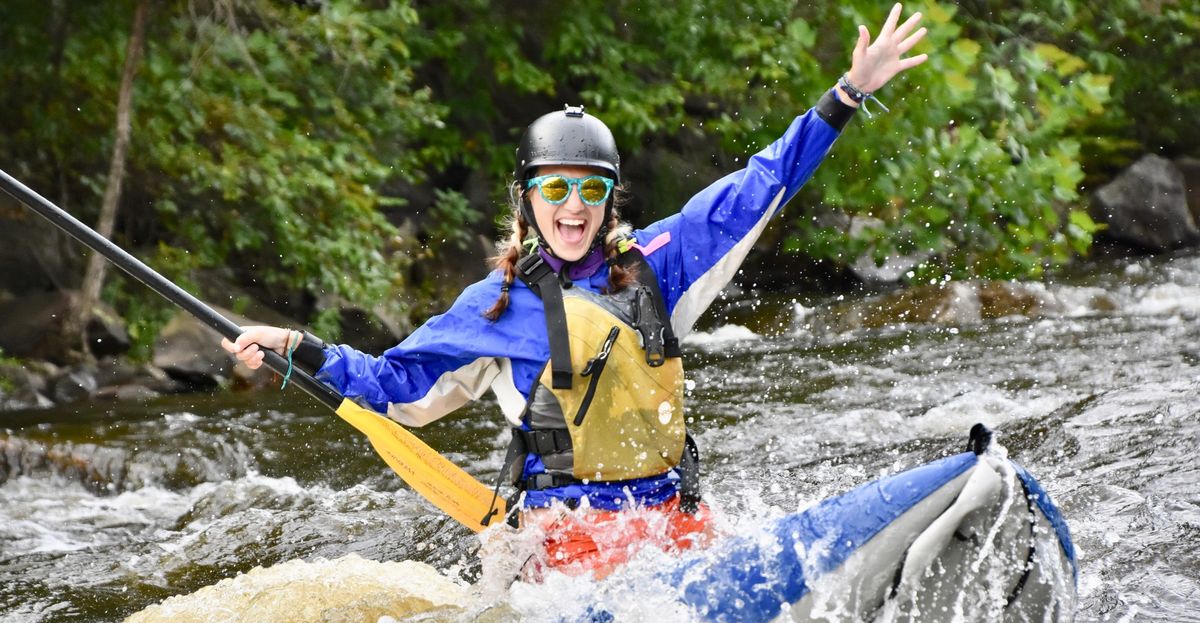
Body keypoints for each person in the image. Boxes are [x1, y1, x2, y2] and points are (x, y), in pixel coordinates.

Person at [223, 4, 930, 578]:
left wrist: (845, 96)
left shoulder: (660, 261)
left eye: (589, 189)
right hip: (564, 545)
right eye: (554, 188)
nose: (572, 206)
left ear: (609, 200)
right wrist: (297, 348)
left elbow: (759, 185)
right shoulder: (493, 305)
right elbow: (394, 386)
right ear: (527, 201)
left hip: (670, 524)